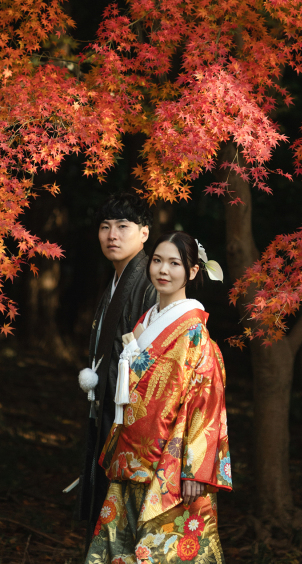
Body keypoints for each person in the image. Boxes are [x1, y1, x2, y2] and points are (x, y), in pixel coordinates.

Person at [84, 231, 231, 564]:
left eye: (175, 263)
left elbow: (205, 402)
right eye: (158, 261)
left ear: (193, 271)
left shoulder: (194, 332)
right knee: (120, 546)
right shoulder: (147, 320)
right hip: (131, 453)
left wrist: (196, 471)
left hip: (171, 462)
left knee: (164, 550)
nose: (163, 270)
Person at [77, 193, 157, 539]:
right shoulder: (115, 279)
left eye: (123, 226)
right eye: (105, 226)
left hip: (133, 414)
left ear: (144, 233)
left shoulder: (150, 282)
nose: (112, 235)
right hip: (108, 400)